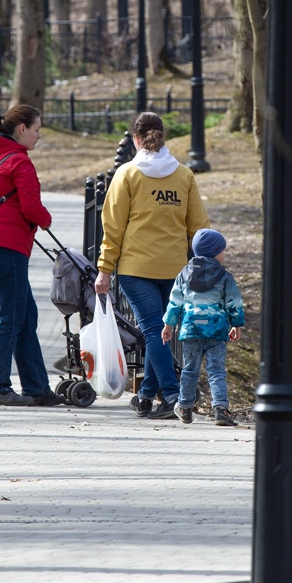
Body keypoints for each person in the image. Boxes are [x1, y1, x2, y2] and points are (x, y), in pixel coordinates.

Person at [94, 112, 209, 420]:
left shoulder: (127, 175)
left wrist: (105, 268)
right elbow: (198, 227)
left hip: (136, 267)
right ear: (163, 138)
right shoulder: (183, 175)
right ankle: (146, 396)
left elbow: (113, 227)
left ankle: (171, 396)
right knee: (161, 330)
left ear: (135, 139)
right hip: (174, 268)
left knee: (154, 330)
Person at [0, 105, 62, 407]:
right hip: (5, 247)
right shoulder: (19, 162)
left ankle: (37, 387)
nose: (39, 136)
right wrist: (47, 219)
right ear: (22, 129)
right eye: (37, 129)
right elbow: (32, 209)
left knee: (24, 316)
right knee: (9, 318)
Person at [161, 229, 244, 427]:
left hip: (191, 330)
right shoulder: (224, 276)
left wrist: (168, 324)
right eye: (222, 250)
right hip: (216, 330)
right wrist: (237, 325)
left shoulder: (184, 274)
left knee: (189, 370)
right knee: (216, 371)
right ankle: (220, 409)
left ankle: (185, 408)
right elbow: (234, 303)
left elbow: (175, 302)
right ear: (215, 251)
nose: (224, 254)